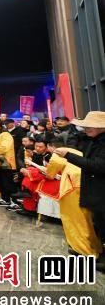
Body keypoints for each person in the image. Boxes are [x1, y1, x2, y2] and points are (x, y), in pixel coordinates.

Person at [53, 111, 105, 272]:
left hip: (101, 191)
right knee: (100, 224)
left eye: (90, 126)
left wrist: (68, 155)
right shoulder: (93, 140)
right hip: (96, 190)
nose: (86, 129)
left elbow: (98, 166)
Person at [44, 140, 102, 258]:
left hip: (72, 189)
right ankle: (95, 247)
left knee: (74, 220)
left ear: (52, 147)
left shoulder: (59, 152)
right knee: (86, 220)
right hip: (86, 186)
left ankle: (84, 251)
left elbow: (51, 171)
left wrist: (49, 173)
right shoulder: (78, 152)